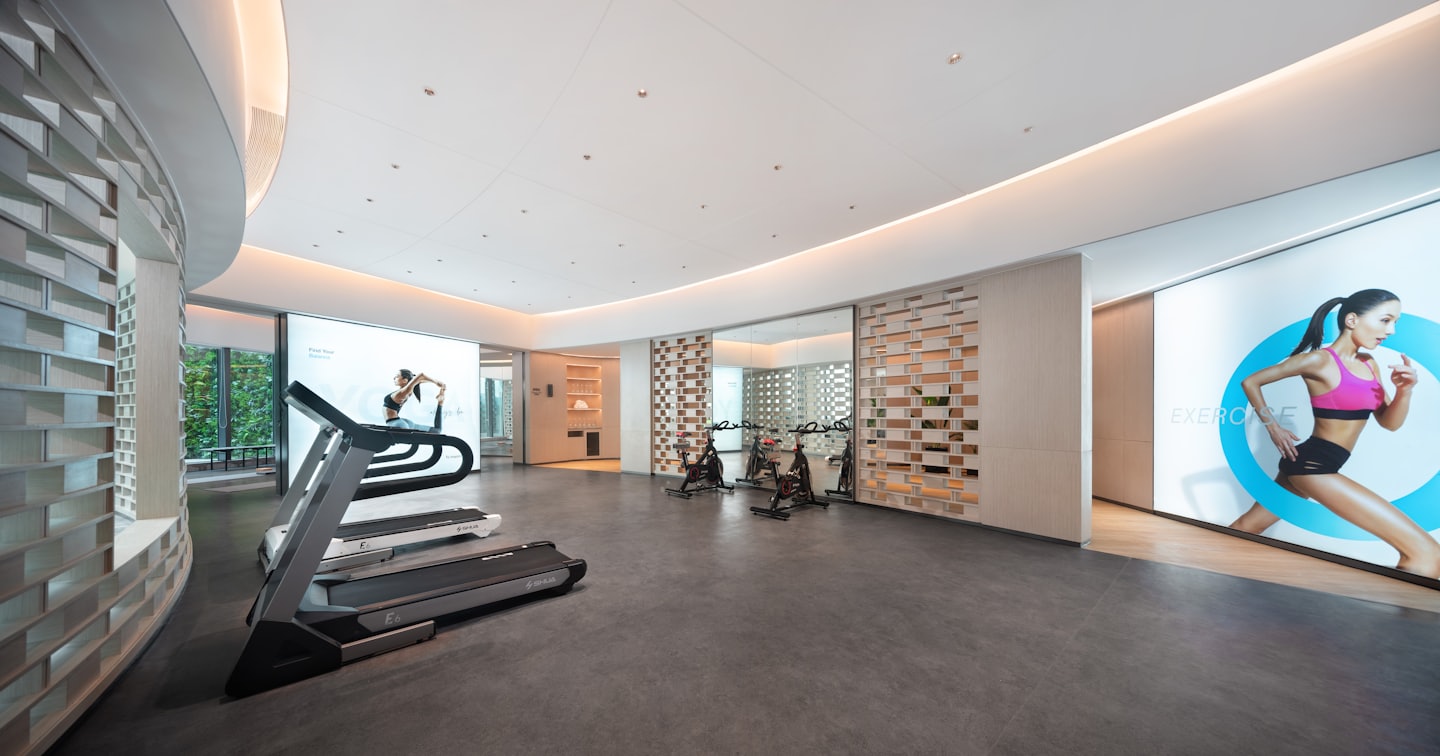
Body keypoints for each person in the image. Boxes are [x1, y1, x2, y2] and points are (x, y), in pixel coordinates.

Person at [1228, 289, 1439, 578]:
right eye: (1385, 320)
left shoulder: (1369, 364)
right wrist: (1272, 427)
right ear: (1352, 320)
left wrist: (1405, 391)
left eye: (1395, 322)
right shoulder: (1318, 361)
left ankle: (1203, 578)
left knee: (1247, 528)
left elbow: (1389, 423)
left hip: (1314, 464)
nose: (1391, 331)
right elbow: (1251, 381)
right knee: (1426, 553)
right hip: (1313, 467)